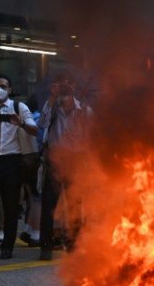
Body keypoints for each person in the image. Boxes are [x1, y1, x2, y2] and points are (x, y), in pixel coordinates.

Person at [36, 72, 93, 260]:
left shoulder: (84, 110)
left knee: (75, 204)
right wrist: (51, 98)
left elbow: (91, 138)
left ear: (74, 88)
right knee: (49, 204)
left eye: (67, 85)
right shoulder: (52, 108)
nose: (64, 90)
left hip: (75, 161)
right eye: (60, 85)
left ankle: (74, 244)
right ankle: (46, 246)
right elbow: (41, 124)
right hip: (55, 159)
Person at [0, 74, 39, 259]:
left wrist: (19, 122)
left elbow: (34, 129)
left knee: (10, 206)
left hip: (11, 161)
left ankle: (7, 247)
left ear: (9, 90)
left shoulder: (18, 107)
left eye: (3, 86)